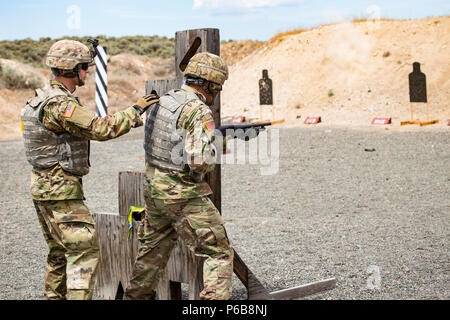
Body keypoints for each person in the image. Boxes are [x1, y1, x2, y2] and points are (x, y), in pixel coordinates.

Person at [21, 39, 159, 300]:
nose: (87, 72)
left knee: (59, 253)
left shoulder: (38, 100)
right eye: (84, 67)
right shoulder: (60, 105)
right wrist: (136, 110)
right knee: (84, 253)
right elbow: (100, 128)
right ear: (73, 69)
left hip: (43, 188)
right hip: (60, 191)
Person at [124, 52, 234, 300]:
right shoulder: (198, 110)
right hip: (181, 193)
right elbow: (199, 162)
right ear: (209, 83)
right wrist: (215, 145)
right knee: (218, 252)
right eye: (217, 86)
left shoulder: (163, 101)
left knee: (150, 255)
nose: (217, 91)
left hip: (154, 189)